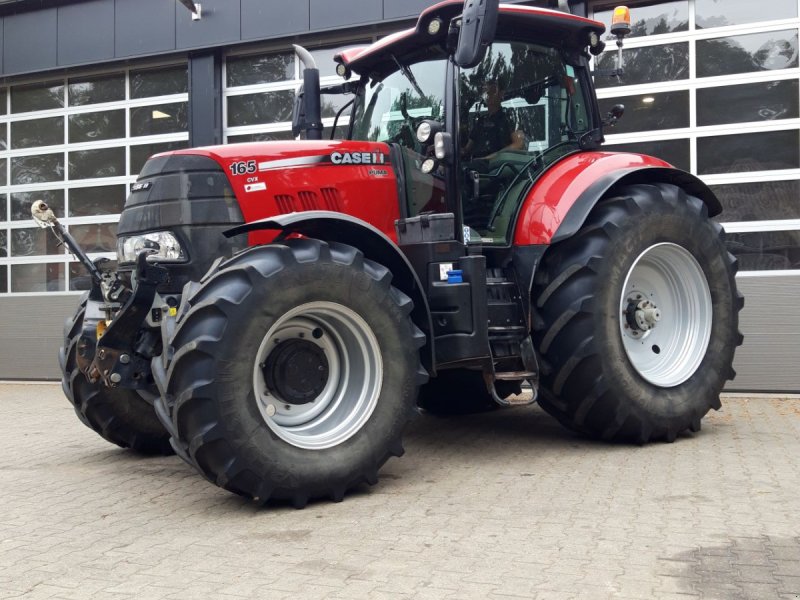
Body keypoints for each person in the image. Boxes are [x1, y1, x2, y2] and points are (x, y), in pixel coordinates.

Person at [462, 81, 525, 160]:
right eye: (486, 92)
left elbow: (519, 144)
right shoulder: (481, 121)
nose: (488, 95)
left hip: (498, 167)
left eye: (492, 91)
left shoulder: (510, 116)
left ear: (501, 94)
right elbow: (466, 149)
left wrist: (491, 157)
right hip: (476, 166)